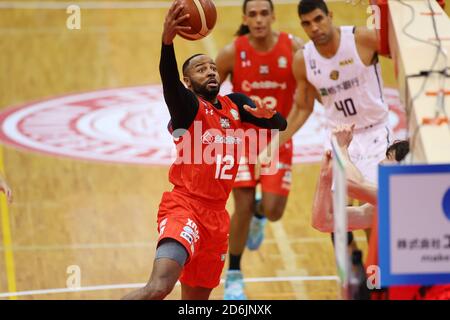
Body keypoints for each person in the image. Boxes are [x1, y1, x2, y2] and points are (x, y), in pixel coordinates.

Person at [122, 1, 287, 300]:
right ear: (188, 81)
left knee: (196, 303)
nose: (210, 72)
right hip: (184, 208)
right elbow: (169, 82)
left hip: (217, 218)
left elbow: (281, 123)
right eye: (200, 69)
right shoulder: (188, 108)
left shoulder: (235, 103)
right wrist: (167, 41)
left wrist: (267, 116)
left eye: (212, 67)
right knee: (159, 287)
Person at [259, 0, 392, 259]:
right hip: (340, 139)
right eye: (307, 23)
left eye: (319, 19)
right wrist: (274, 143)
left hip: (376, 133)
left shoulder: (361, 39)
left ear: (330, 16)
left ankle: (377, 273)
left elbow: (399, 52)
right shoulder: (304, 59)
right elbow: (302, 108)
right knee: (335, 217)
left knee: (373, 211)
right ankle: (352, 273)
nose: (314, 27)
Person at [215, 0, 303, 300]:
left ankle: (260, 214)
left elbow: (307, 93)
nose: (259, 19)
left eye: (264, 13)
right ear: (245, 18)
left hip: (279, 137)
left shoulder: (293, 48)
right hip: (243, 139)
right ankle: (235, 276)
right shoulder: (231, 53)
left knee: (275, 210)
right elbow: (208, 94)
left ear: (273, 16)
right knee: (239, 206)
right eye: (252, 14)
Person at [312, 124, 450, 300]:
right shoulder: (384, 204)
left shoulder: (404, 196)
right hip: (402, 286)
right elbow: (323, 221)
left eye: (388, 158)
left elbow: (354, 185)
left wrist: (341, 149)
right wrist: (325, 178)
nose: (380, 163)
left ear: (402, 168)